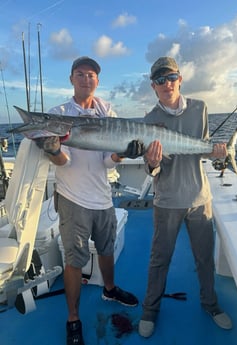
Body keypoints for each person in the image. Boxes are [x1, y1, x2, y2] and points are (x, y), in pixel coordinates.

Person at [36, 56, 144, 345]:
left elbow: (108, 162)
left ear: (98, 80)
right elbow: (63, 161)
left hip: (102, 196)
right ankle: (73, 318)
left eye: (91, 75)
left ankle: (109, 288)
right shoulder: (58, 113)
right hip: (72, 199)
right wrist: (53, 150)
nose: (86, 79)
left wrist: (123, 153)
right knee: (74, 260)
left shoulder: (106, 110)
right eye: (80, 74)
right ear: (71, 78)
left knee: (107, 249)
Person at [138, 56, 233, 338]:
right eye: (159, 80)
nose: (166, 84)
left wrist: (215, 152)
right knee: (159, 259)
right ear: (153, 86)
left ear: (180, 79)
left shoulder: (200, 108)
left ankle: (210, 304)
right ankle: (150, 310)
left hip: (198, 197)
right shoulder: (149, 121)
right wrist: (153, 162)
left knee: (204, 258)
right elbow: (152, 168)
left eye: (170, 78)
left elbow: (200, 148)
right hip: (166, 200)